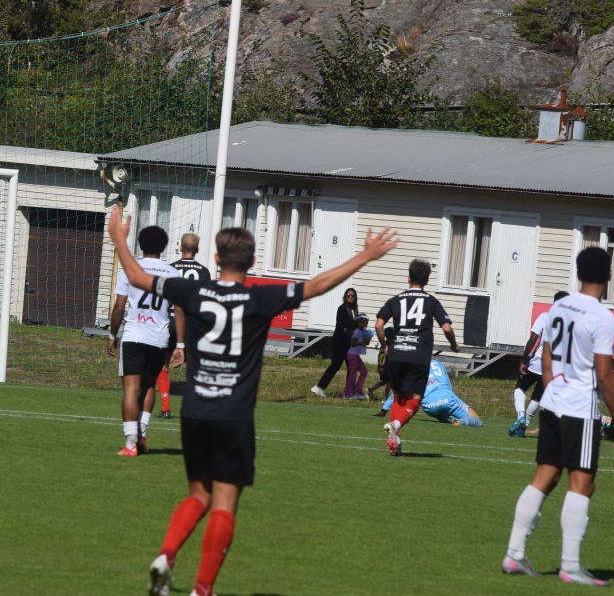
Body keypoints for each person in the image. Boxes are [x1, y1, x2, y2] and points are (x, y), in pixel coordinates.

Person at [106, 205, 397, 596]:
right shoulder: (259, 298)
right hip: (234, 416)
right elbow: (316, 285)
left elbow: (138, 276)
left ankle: (166, 555)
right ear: (253, 261)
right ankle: (202, 589)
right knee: (224, 504)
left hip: (195, 411)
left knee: (198, 495)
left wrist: (120, 240)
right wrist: (364, 256)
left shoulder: (192, 290)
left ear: (215, 258)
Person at [502, 246, 614, 586]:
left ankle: (514, 554)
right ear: (610, 275)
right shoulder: (602, 316)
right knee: (582, 483)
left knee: (545, 476)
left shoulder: (559, 306)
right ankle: (570, 567)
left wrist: (552, 389)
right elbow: (605, 374)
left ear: (578, 273)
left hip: (553, 403)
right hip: (579, 409)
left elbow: (546, 355)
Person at [106, 225, 182, 456]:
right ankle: (142, 434)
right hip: (159, 337)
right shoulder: (173, 273)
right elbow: (180, 311)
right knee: (149, 386)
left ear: (140, 244)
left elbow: (119, 307)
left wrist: (112, 334)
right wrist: (180, 345)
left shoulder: (130, 269)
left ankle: (131, 443)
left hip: (134, 335)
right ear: (164, 247)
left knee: (131, 388)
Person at [375, 259, 460, 455]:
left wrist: (385, 346)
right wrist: (453, 345)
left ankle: (395, 440)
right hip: (419, 354)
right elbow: (447, 328)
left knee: (399, 397)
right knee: (415, 398)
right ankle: (396, 425)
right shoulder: (431, 301)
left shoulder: (396, 300)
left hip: (397, 353)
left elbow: (379, 325)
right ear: (427, 280)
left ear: (409, 278)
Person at [157, 233, 211, 418]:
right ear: (197, 250)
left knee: (163, 365)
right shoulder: (204, 272)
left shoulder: (169, 269)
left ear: (180, 248)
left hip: (170, 322)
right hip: (192, 325)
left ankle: (165, 408)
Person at [509, 291, 570, 438]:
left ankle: (521, 416)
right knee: (537, 396)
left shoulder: (545, 317)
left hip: (538, 362)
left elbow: (532, 340)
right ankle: (524, 427)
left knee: (520, 388)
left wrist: (523, 360)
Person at [380, 359, 482, 426]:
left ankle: (448, 419)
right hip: (446, 397)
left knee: (440, 414)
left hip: (429, 405)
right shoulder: (437, 363)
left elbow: (398, 391)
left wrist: (384, 409)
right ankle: (460, 422)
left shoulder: (413, 368)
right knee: (477, 420)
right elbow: (448, 385)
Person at [311, 287, 359, 397]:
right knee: (336, 365)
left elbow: (356, 324)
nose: (350, 297)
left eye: (352, 295)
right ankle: (319, 387)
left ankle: (348, 391)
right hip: (340, 342)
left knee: (352, 367)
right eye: (348, 295)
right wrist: (347, 330)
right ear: (345, 297)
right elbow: (340, 324)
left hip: (350, 343)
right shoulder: (342, 309)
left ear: (355, 297)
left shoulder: (355, 309)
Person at [343, 313, 372, 400]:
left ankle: (357, 391)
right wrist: (363, 341)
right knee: (352, 374)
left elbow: (367, 343)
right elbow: (352, 343)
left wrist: (368, 338)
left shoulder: (364, 332)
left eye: (364, 322)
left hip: (356, 355)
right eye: (360, 322)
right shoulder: (357, 331)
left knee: (364, 372)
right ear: (357, 323)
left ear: (366, 323)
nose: (362, 324)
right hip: (352, 355)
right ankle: (347, 394)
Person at [369, 326, 394, 413]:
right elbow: (390, 357)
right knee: (389, 382)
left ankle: (371, 390)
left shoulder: (384, 344)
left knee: (383, 381)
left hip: (382, 367)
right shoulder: (391, 344)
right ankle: (385, 397)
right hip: (387, 367)